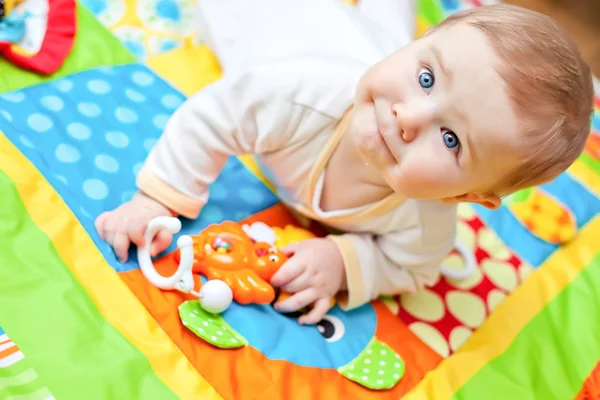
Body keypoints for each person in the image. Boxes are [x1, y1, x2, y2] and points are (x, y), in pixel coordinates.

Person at [95, 1, 594, 324]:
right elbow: (214, 115)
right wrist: (159, 196)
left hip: (365, 47)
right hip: (287, 31)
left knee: (376, 31)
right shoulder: (300, 95)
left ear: (463, 197)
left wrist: (346, 263)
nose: (407, 118)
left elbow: (413, 268)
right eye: (426, 78)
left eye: (450, 138)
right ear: (415, 52)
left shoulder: (425, 223)